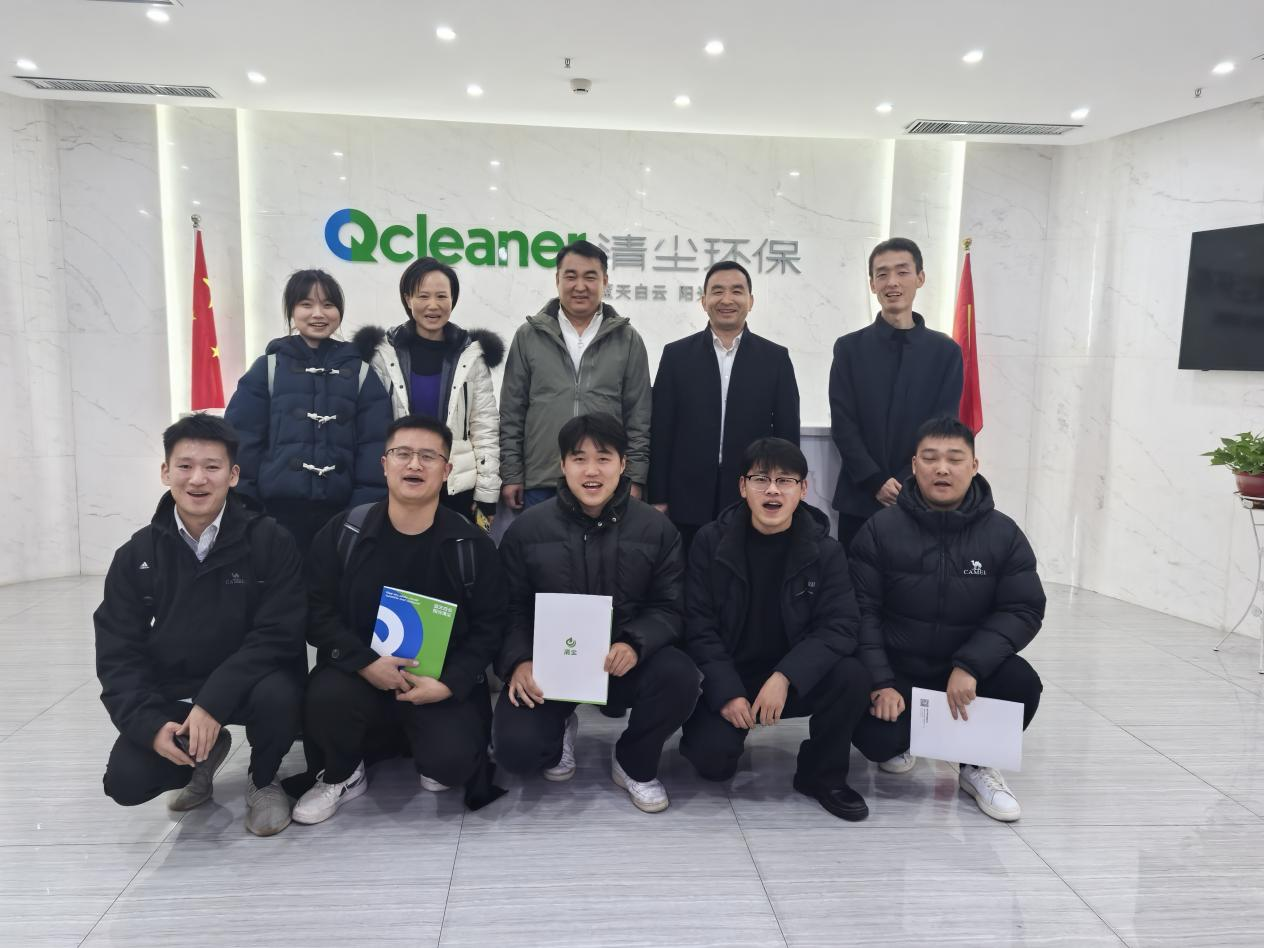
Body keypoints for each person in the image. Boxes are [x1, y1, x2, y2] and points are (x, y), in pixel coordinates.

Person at [94, 414, 306, 836]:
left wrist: (212, 703)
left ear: (233, 475)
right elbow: (118, 652)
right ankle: (202, 756)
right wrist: (149, 726)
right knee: (127, 781)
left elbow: (279, 633)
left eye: (212, 466)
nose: (197, 479)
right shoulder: (136, 555)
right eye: (185, 466)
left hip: (251, 682)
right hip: (177, 685)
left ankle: (263, 778)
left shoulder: (270, 540)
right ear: (165, 471)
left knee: (280, 694)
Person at [292, 414, 507, 824]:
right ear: (384, 464)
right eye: (402, 453)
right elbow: (316, 609)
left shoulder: (471, 545)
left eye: (428, 456)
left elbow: (490, 626)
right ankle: (343, 773)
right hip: (360, 674)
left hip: (437, 680)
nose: (414, 465)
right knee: (325, 696)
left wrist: (449, 683)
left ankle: (423, 746)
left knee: (452, 764)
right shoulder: (345, 532)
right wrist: (364, 664)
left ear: (446, 471)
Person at [492, 413, 699, 813]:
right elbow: (509, 608)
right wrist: (518, 661)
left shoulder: (656, 529)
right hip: (551, 668)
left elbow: (671, 606)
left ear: (623, 464)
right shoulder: (527, 530)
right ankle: (559, 727)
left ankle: (633, 761)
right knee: (517, 753)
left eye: (604, 458)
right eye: (579, 458)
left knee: (680, 676)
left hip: (620, 663)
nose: (591, 470)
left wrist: (635, 643)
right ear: (562, 464)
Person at [849, 416, 1045, 822]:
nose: (942, 469)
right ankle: (908, 738)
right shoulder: (880, 530)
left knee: (1021, 682)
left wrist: (971, 664)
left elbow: (1023, 608)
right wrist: (881, 681)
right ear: (913, 465)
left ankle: (976, 764)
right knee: (876, 739)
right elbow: (861, 610)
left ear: (974, 466)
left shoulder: (1003, 534)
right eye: (930, 458)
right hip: (900, 670)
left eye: (955, 459)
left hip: (965, 674)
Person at [678, 437, 871, 821]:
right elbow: (698, 625)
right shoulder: (710, 542)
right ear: (742, 486)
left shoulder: (826, 551)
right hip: (734, 674)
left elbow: (840, 626)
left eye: (785, 481)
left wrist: (785, 676)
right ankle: (721, 733)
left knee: (851, 675)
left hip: (794, 677)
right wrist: (726, 691)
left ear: (803, 489)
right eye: (760, 479)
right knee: (711, 762)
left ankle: (823, 775)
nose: (772, 490)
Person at [225, 268, 391, 552]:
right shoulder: (268, 367)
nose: (318, 314)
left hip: (342, 514)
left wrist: (362, 511)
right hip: (274, 514)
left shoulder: (361, 372)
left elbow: (375, 445)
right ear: (291, 311)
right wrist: (247, 507)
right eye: (306, 304)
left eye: (328, 304)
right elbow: (242, 440)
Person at [649, 261, 800, 553]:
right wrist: (658, 496)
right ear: (703, 301)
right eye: (717, 291)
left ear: (750, 301)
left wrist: (784, 491)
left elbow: (787, 435)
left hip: (751, 496)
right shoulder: (676, 355)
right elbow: (661, 430)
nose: (727, 299)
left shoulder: (775, 358)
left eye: (736, 291)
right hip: (685, 496)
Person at [829, 238, 963, 548]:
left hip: (921, 496)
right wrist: (875, 480)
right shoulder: (849, 348)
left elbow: (943, 425)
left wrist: (906, 480)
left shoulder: (945, 352)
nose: (892, 282)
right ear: (872, 284)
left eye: (902, 271)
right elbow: (843, 423)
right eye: (882, 274)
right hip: (860, 497)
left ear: (920, 278)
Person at [499, 240, 652, 511]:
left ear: (605, 281)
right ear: (557, 279)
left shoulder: (627, 340)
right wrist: (512, 473)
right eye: (570, 276)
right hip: (542, 480)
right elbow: (512, 412)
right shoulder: (529, 336)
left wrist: (634, 477)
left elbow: (638, 417)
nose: (580, 286)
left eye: (590, 277)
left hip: (604, 481)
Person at [357, 257, 503, 527]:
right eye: (423, 296)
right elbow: (371, 429)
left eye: (441, 296)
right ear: (408, 299)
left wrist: (486, 493)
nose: (433, 305)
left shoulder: (471, 356)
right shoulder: (383, 355)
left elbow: (485, 428)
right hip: (400, 482)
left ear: (453, 299)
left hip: (455, 485)